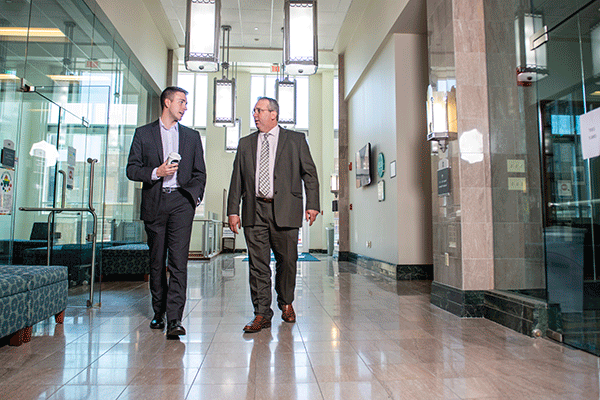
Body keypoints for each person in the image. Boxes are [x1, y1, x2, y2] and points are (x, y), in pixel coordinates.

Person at [227, 97, 320, 333]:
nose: (255, 115)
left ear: (274, 114)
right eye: (254, 111)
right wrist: (232, 211)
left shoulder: (295, 140)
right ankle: (261, 314)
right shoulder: (246, 143)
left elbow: (309, 174)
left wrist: (313, 204)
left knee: (287, 262)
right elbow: (236, 178)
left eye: (259, 110)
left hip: (286, 209)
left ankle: (286, 302)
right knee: (258, 265)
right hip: (254, 210)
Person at [126, 86, 206, 338]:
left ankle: (175, 319)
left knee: (179, 262)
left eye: (186, 103)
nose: (185, 107)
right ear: (167, 102)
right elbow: (131, 169)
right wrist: (155, 173)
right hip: (155, 202)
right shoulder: (143, 134)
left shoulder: (192, 137)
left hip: (181, 203)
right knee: (157, 261)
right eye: (181, 102)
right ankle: (158, 312)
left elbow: (200, 174)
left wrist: (191, 198)